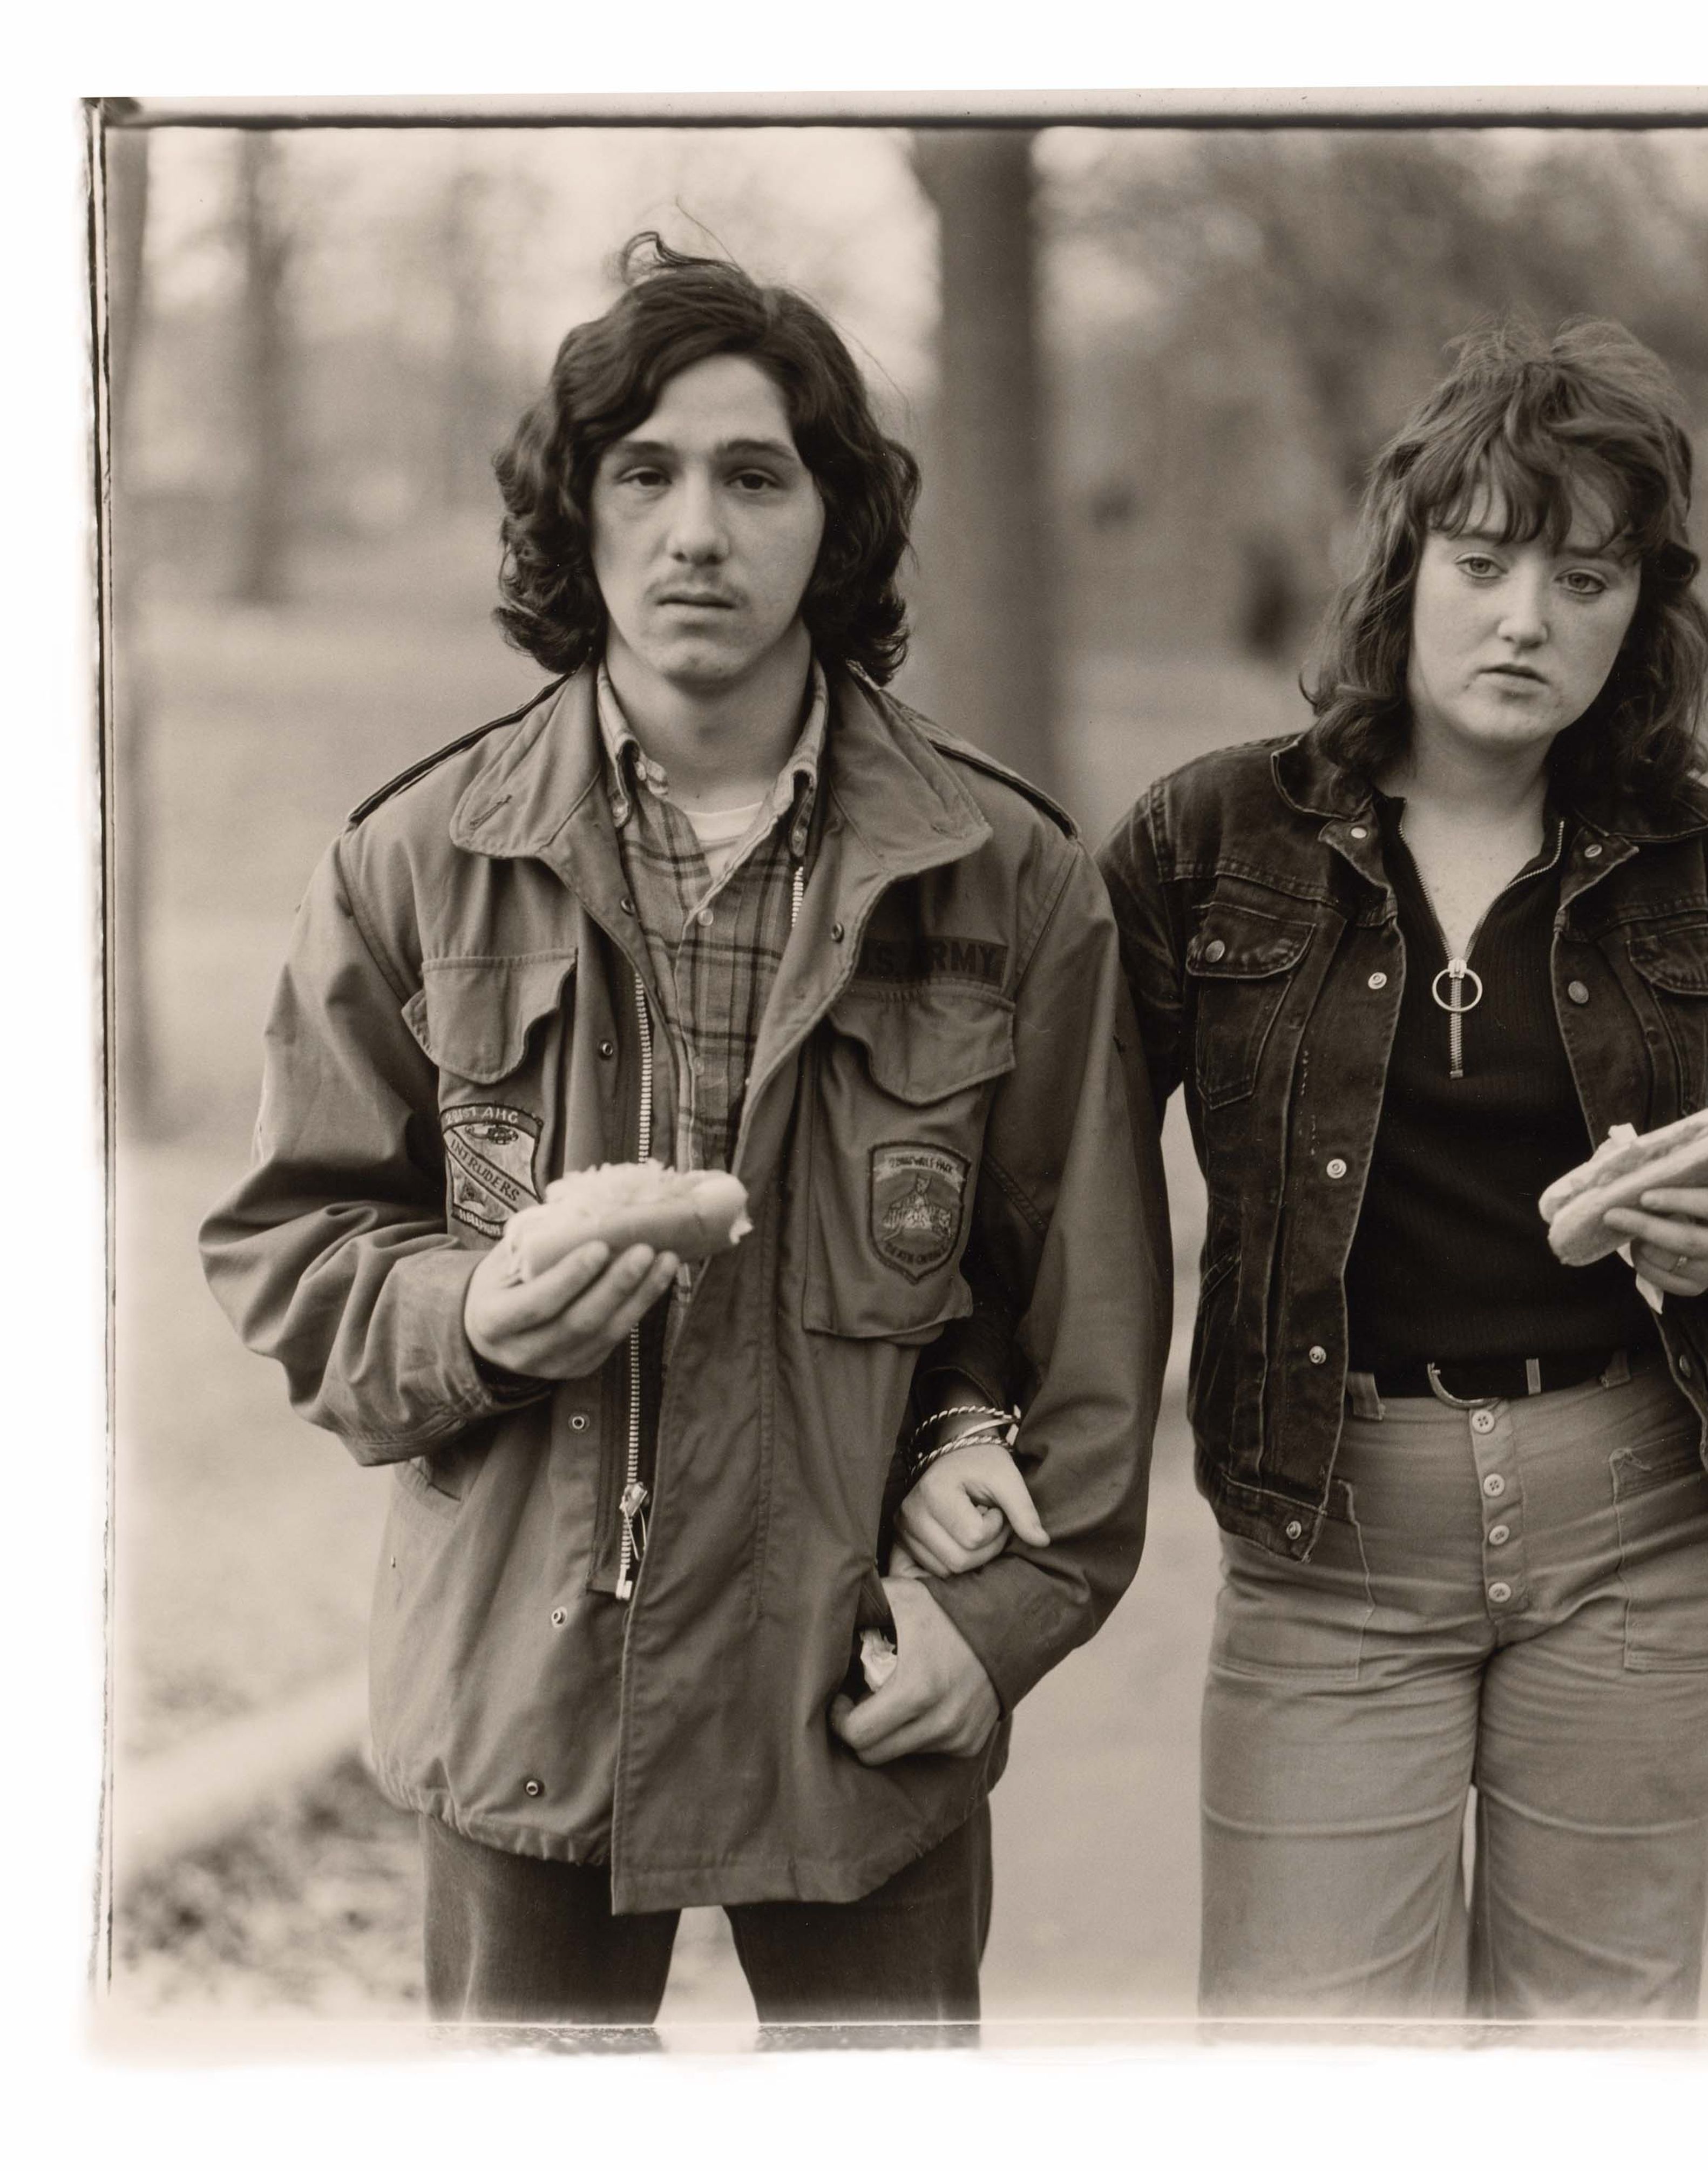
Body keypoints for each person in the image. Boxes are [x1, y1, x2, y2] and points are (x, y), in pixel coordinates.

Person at [199, 236, 1169, 2033]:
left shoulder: (1010, 879)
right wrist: (471, 1318)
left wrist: (1007, 1620)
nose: (695, 532)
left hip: (870, 1677)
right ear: (576, 517)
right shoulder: (417, 862)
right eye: (640, 473)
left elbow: (1091, 1322)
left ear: (835, 523)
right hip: (527, 1688)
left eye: (754, 475)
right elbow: (294, 1245)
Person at [933, 318, 1708, 2019]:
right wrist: (965, 1411)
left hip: (1650, 1527)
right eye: (1487, 559)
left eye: (1588, 582)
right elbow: (1042, 1181)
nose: (1529, 618)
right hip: (1332, 1532)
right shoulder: (1208, 841)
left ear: (1641, 620)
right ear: (1403, 567)